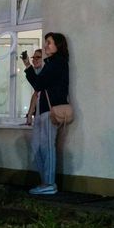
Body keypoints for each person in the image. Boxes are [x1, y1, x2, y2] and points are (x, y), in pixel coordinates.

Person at [21, 32, 69, 195]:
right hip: (42, 111)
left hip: (51, 110)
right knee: (37, 146)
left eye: (49, 42)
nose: (46, 45)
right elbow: (39, 85)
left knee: (47, 146)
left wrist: (28, 68)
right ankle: (45, 182)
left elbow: (38, 84)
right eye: (46, 42)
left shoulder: (57, 62)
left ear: (58, 45)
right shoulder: (51, 63)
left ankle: (49, 183)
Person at [25, 49, 44, 126]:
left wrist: (28, 65)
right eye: (33, 57)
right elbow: (36, 93)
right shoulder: (39, 72)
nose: (34, 60)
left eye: (38, 57)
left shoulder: (46, 73)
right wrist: (29, 115)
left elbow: (37, 88)